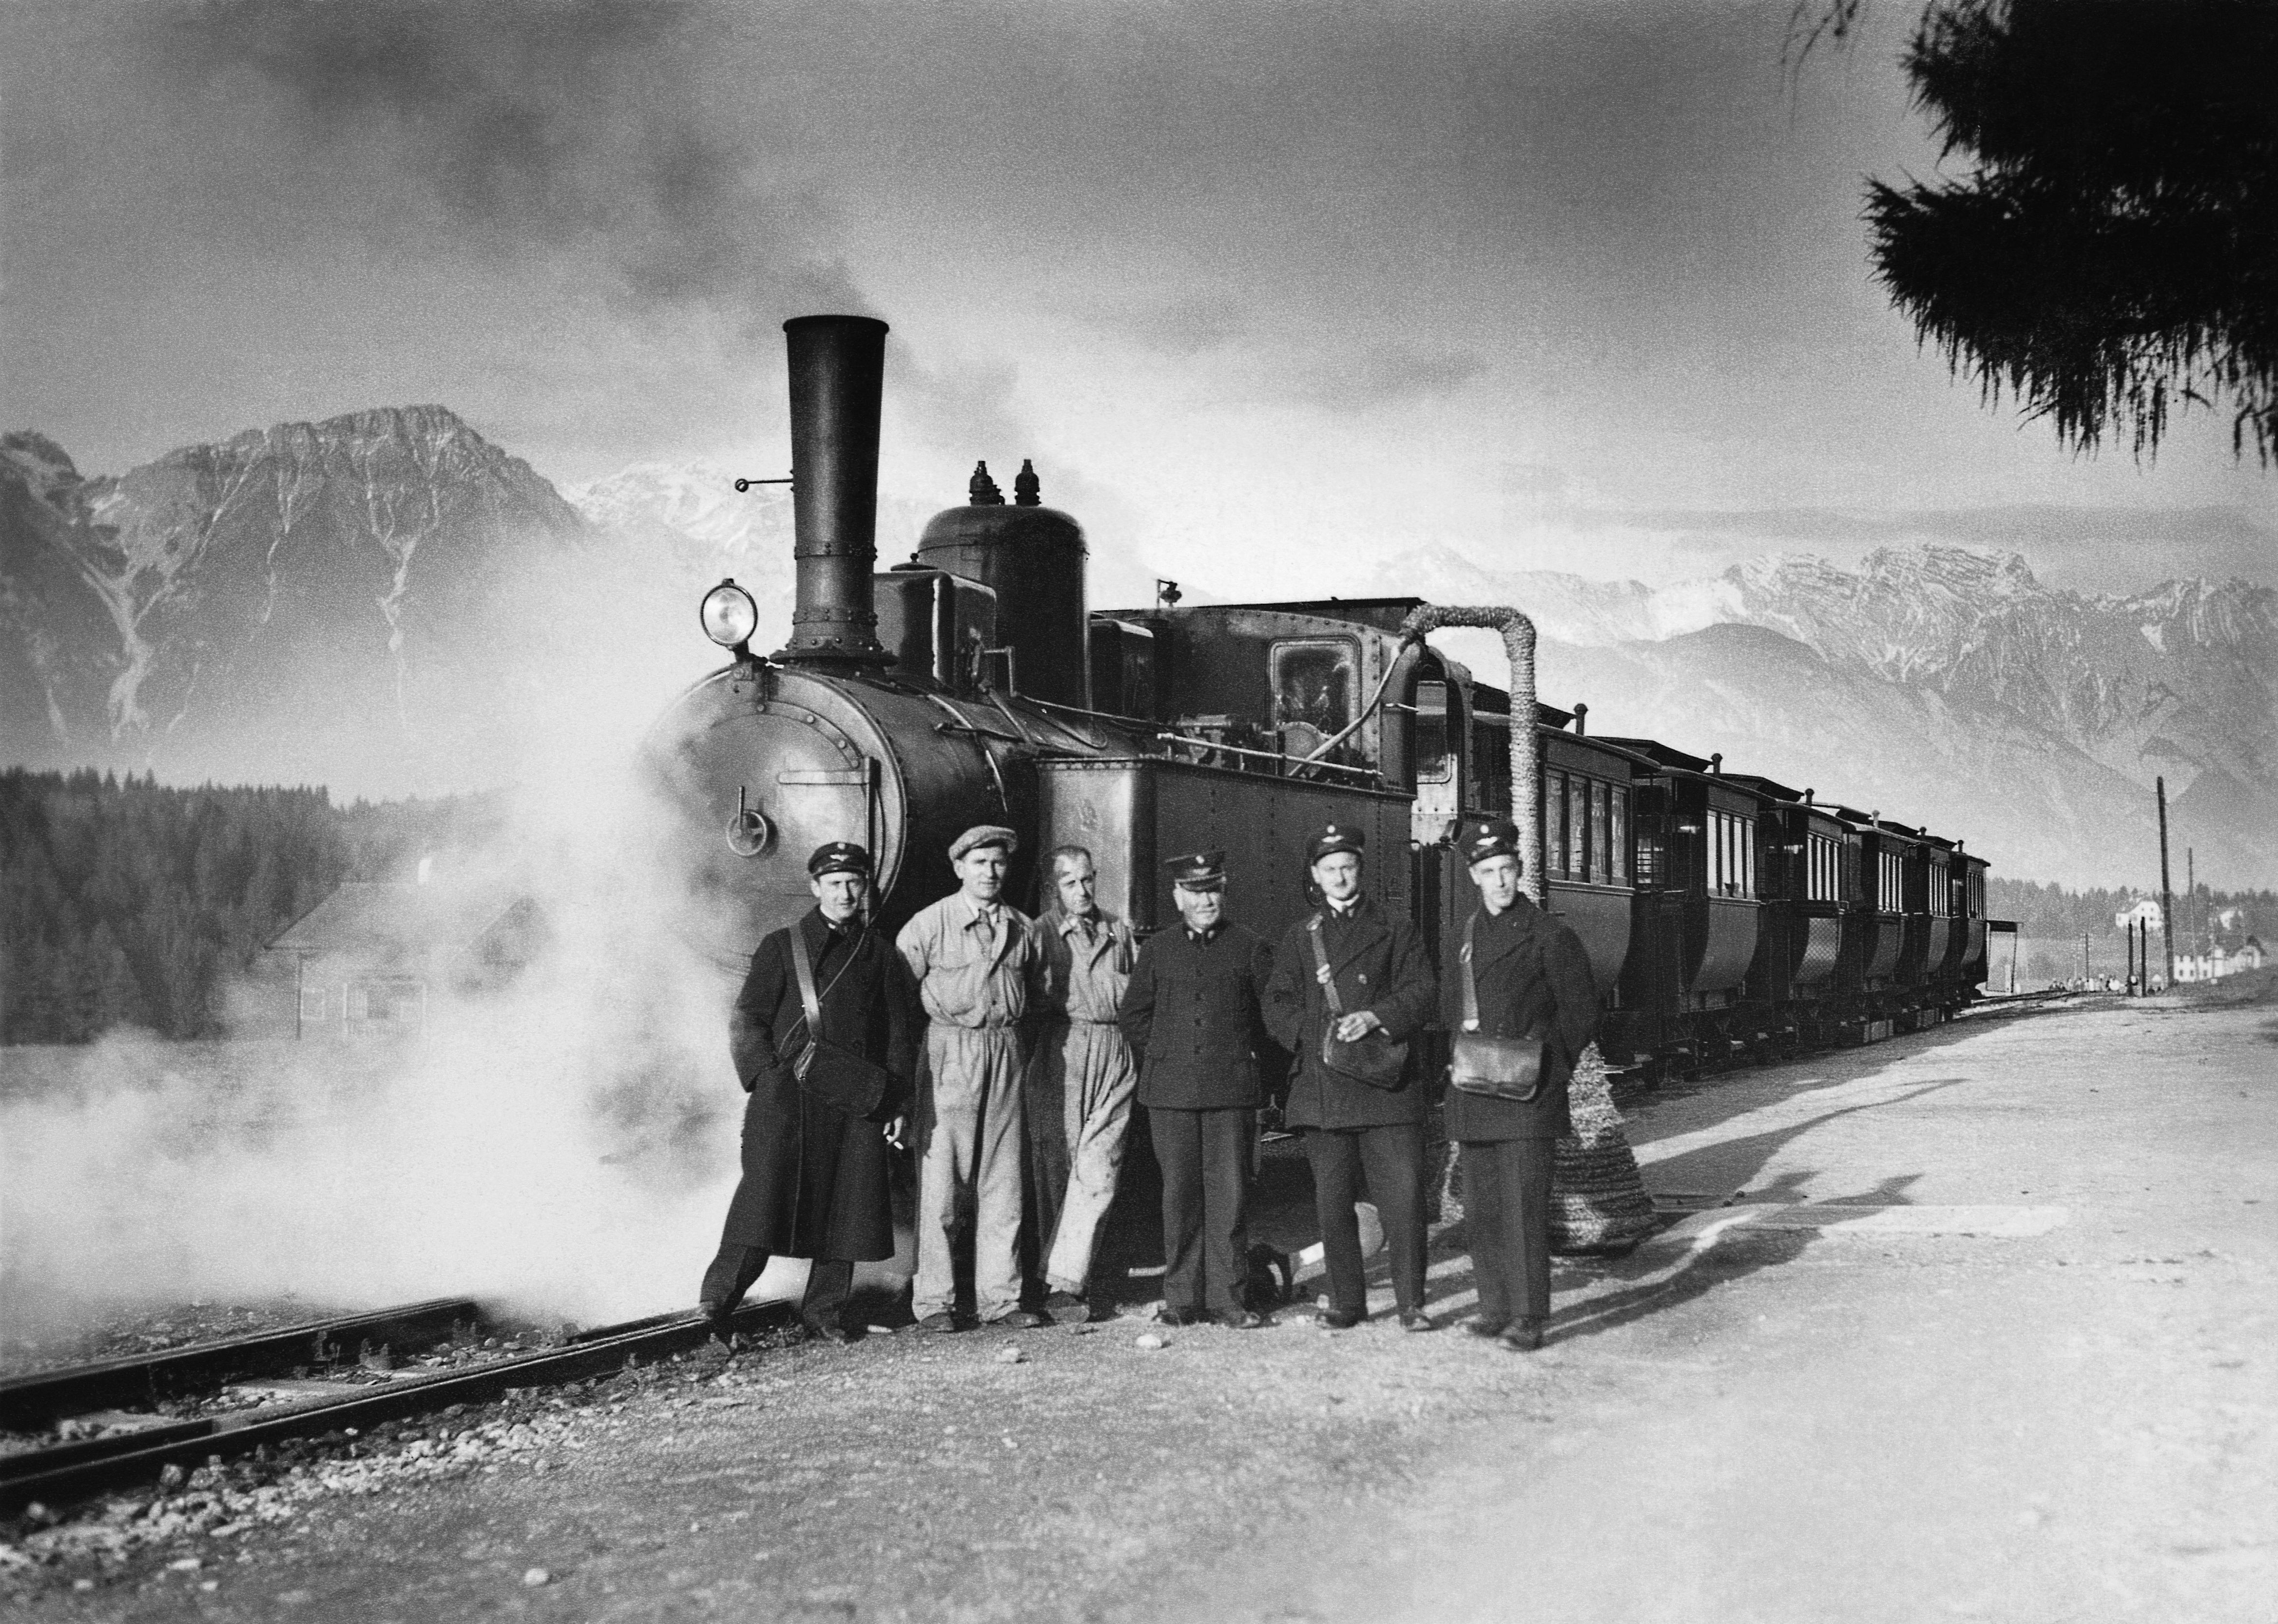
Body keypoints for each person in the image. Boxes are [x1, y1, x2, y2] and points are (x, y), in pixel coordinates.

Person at [699, 841, 916, 1344]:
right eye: (835, 884)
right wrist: (764, 1076)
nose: (845, 893)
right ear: (816, 887)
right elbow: (748, 1018)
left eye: (854, 883)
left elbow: (899, 1038)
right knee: (763, 1199)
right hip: (788, 1098)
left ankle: (825, 1312)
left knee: (847, 1209)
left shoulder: (882, 956)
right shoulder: (782, 946)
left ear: (865, 888)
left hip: (856, 1100)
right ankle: (716, 1301)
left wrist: (897, 1103)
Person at [1264, 822, 1438, 1331]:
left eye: (1349, 866)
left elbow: (1425, 991)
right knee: (1333, 1202)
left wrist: (1377, 1016)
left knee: (1403, 1199)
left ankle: (1411, 1304)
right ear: (1315, 877)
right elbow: (1277, 1003)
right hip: (1325, 1089)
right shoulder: (1301, 937)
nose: (1340, 876)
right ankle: (1347, 1301)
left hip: (1388, 1086)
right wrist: (1312, 1035)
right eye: (1330, 869)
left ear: (1360, 870)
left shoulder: (1396, 929)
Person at [1445, 816, 1600, 1352]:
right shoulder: (1464, 937)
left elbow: (1580, 1013)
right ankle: (1493, 1307)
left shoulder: (1550, 935)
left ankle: (1529, 1314)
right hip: (1473, 1087)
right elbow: (1450, 1008)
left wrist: (1548, 1070)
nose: (1500, 882)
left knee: (1524, 1210)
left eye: (1507, 869)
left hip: (1527, 1093)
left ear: (1520, 870)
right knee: (1484, 1207)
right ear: (1474, 877)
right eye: (1489, 872)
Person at [1118, 849, 1280, 1329]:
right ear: (1178, 896)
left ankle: (1230, 1300)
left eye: (1212, 889)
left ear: (1223, 891)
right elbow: (1134, 1015)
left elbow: (1268, 1022)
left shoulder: (1250, 947)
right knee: (1180, 1197)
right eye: (1195, 891)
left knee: (1228, 1197)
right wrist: (1166, 1053)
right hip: (1170, 1094)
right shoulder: (1158, 949)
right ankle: (1182, 1300)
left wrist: (1257, 1073)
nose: (1205, 899)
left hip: (1231, 1092)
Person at [896, 825, 1047, 1332]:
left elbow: (1041, 993)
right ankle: (935, 1301)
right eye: (979, 863)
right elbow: (897, 1000)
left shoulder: (1023, 928)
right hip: (949, 1050)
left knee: (1004, 1184)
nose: (990, 872)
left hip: (1006, 1049)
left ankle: (1001, 1300)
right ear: (959, 867)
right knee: (941, 1185)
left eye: (998, 863)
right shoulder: (928, 924)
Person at [1026, 845, 1141, 1323]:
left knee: (1100, 1167)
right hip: (1063, 1051)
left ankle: (1071, 1278)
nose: (1083, 890)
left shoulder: (1119, 930)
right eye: (1071, 882)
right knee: (1059, 1166)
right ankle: (1070, 1283)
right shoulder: (1040, 933)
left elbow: (1138, 990)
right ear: (1055, 888)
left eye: (1088, 879)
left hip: (1115, 1050)